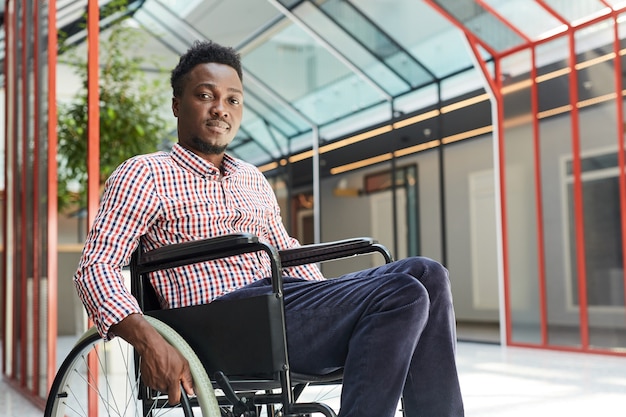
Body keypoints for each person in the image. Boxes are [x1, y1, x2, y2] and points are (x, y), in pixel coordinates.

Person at [74, 40, 464, 417]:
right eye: (205, 96)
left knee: (426, 275)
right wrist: (151, 342)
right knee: (402, 294)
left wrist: (332, 296)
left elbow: (286, 252)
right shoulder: (144, 173)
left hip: (279, 301)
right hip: (220, 319)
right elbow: (94, 269)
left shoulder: (251, 178)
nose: (221, 109)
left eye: (232, 99)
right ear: (177, 105)